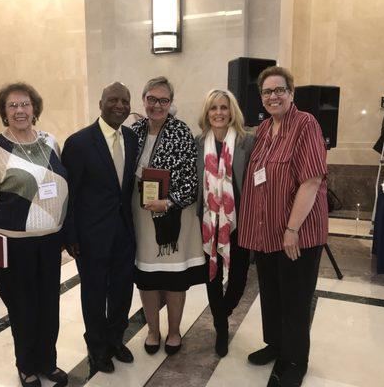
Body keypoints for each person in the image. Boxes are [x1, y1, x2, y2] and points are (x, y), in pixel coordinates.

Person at [0, 82, 69, 387]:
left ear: (34, 108)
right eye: (12, 106)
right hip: (15, 246)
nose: (20, 111)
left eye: (25, 104)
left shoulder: (50, 142)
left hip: (49, 242)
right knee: (23, 308)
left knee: (49, 306)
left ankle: (47, 361)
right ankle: (26, 365)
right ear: (4, 111)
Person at [238, 66, 328, 387]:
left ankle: (295, 359)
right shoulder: (264, 130)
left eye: (279, 90)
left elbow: (312, 179)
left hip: (296, 233)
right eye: (267, 92)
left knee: (294, 298)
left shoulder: (305, 125)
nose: (273, 96)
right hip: (266, 232)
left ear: (291, 93)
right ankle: (275, 344)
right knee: (272, 294)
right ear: (261, 98)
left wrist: (292, 229)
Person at [61, 82, 138, 374]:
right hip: (91, 236)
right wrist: (70, 235)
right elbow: (70, 194)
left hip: (124, 233)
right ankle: (97, 348)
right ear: (101, 103)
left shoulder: (131, 139)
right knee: (93, 294)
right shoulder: (79, 143)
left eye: (125, 101)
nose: (120, 106)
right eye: (113, 100)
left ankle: (116, 340)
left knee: (122, 291)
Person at [131, 76, 205, 356]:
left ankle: (174, 331)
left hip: (173, 214)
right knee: (147, 277)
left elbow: (191, 179)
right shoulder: (134, 130)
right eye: (152, 99)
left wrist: (169, 201)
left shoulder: (181, 131)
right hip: (140, 215)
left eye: (163, 100)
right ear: (144, 100)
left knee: (174, 279)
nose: (157, 105)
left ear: (170, 103)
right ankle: (152, 330)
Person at [195, 89, 255, 357]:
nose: (219, 113)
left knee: (239, 278)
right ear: (207, 113)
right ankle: (221, 327)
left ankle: (223, 309)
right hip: (208, 222)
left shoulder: (247, 142)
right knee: (212, 275)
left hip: (238, 221)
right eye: (213, 108)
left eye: (223, 107)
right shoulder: (198, 144)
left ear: (232, 112)